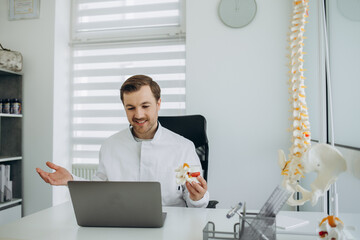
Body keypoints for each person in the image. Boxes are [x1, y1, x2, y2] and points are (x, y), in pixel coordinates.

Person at [36, 75, 209, 208]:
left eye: (145, 106)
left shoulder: (183, 147)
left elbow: (195, 199)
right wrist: (71, 180)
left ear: (158, 104)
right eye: (131, 108)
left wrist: (198, 197)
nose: (138, 115)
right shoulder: (110, 146)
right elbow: (99, 188)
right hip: (122, 226)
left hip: (170, 228)